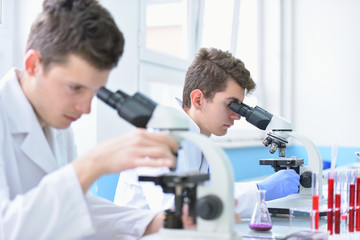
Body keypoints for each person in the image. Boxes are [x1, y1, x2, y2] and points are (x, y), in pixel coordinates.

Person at [0, 0, 180, 239]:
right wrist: (91, 166)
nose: (85, 109)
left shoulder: (56, 122)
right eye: (75, 87)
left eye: (95, 92)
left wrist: (154, 221)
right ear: (33, 65)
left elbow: (75, 207)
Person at [114, 48, 300, 218]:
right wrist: (260, 191)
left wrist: (259, 191)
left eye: (240, 107)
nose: (237, 116)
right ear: (198, 99)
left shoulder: (199, 138)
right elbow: (175, 209)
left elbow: (207, 193)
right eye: (231, 104)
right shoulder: (161, 133)